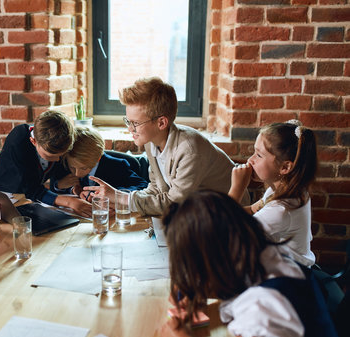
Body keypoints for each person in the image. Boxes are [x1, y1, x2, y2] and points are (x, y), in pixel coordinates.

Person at [160, 190, 343, 337]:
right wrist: (199, 290)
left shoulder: (264, 305)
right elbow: (242, 285)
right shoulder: (264, 253)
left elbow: (258, 305)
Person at [83, 77, 243, 215]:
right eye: (128, 121)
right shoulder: (151, 143)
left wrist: (120, 197)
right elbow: (156, 189)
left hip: (228, 215)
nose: (130, 129)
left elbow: (175, 204)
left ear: (161, 122)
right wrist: (119, 203)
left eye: (136, 123)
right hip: (195, 213)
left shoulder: (189, 150)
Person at [228, 120, 317, 267]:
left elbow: (222, 232)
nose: (250, 160)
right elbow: (250, 210)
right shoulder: (286, 189)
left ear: (285, 167)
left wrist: (237, 188)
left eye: (259, 155)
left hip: (287, 278)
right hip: (284, 265)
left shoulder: (281, 210)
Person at [0, 110, 91, 217]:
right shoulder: (18, 140)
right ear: (34, 142)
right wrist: (69, 202)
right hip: (4, 192)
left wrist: (76, 190)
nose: (57, 160)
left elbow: (61, 176)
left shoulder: (62, 139)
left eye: (61, 155)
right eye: (50, 156)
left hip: (30, 196)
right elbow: (29, 188)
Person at [51, 126, 148, 200]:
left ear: (98, 158)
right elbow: (52, 186)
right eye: (72, 167)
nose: (77, 174)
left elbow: (143, 185)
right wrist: (59, 185)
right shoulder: (63, 162)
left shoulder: (117, 166)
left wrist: (113, 193)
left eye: (84, 168)